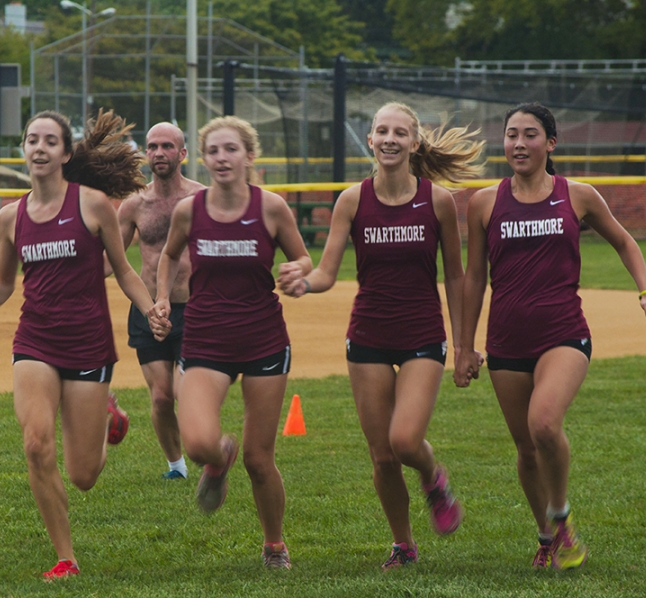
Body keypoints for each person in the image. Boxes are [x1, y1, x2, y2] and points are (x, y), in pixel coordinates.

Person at [454, 102, 646, 570]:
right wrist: (464, 346)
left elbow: (625, 241)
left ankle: (561, 513)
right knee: (526, 450)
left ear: (550, 143)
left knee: (544, 423)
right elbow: (473, 279)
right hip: (506, 341)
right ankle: (546, 535)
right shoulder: (485, 203)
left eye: (530, 135)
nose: (518, 144)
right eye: (511, 135)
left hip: (564, 334)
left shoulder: (578, 195)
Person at [278, 102, 486, 569]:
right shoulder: (352, 200)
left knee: (406, 442)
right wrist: (304, 282)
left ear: (414, 142)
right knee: (382, 456)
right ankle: (403, 544)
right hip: (368, 334)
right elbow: (328, 270)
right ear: (370, 140)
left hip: (421, 335)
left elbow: (456, 277)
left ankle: (434, 476)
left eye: (400, 132)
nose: (390, 139)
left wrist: (463, 345)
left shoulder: (435, 200)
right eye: (381, 131)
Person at [0, 109, 166, 580]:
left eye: (49, 141)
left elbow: (125, 269)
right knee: (36, 445)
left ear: (65, 153)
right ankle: (66, 559)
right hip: (35, 340)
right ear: (25, 150)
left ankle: (109, 417)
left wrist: (152, 307)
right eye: (32, 139)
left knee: (84, 476)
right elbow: (3, 283)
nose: (39, 147)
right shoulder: (10, 217)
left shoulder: (93, 205)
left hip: (88, 344)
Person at [153, 115, 312, 569]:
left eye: (231, 150)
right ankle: (218, 459)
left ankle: (274, 545)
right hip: (205, 338)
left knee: (260, 460)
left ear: (249, 157)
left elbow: (302, 257)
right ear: (202, 159)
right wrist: (162, 298)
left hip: (263, 339)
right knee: (199, 442)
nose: (222, 158)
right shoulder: (190, 210)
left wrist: (298, 273)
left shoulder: (271, 207)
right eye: (214, 151)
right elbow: (168, 256)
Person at [109, 122, 205, 480]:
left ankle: (206, 449)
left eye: (167, 146)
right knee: (162, 397)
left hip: (194, 308)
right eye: (152, 146)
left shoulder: (201, 198)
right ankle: (176, 467)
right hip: (148, 310)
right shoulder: (134, 204)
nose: (158, 153)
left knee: (186, 393)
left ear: (182, 154)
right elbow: (112, 261)